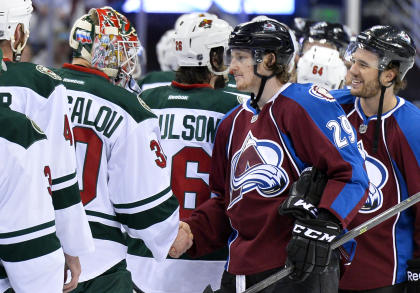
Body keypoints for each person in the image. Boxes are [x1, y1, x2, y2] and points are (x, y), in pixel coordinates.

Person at [180, 18, 369, 293]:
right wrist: (193, 231)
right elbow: (224, 201)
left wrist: (325, 220)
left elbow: (352, 175)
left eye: (241, 57)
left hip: (298, 268)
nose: (231, 67)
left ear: (268, 60)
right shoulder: (231, 123)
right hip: (239, 270)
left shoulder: (305, 104)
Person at [53, 7, 191, 292]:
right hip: (97, 263)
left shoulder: (36, 90)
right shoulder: (126, 106)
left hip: (29, 255)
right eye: (118, 49)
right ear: (97, 49)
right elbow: (141, 203)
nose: (127, 61)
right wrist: (167, 236)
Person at [126, 15, 242, 293]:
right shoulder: (237, 106)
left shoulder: (143, 101)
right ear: (214, 59)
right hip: (208, 251)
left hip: (142, 252)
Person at [0, 1, 94, 291]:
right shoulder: (41, 83)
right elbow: (61, 174)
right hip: (24, 229)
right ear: (17, 33)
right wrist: (71, 246)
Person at [331, 25, 420, 293]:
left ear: (389, 75)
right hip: (328, 272)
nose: (352, 70)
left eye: (363, 65)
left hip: (385, 276)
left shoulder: (412, 127)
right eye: (353, 60)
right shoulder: (334, 109)